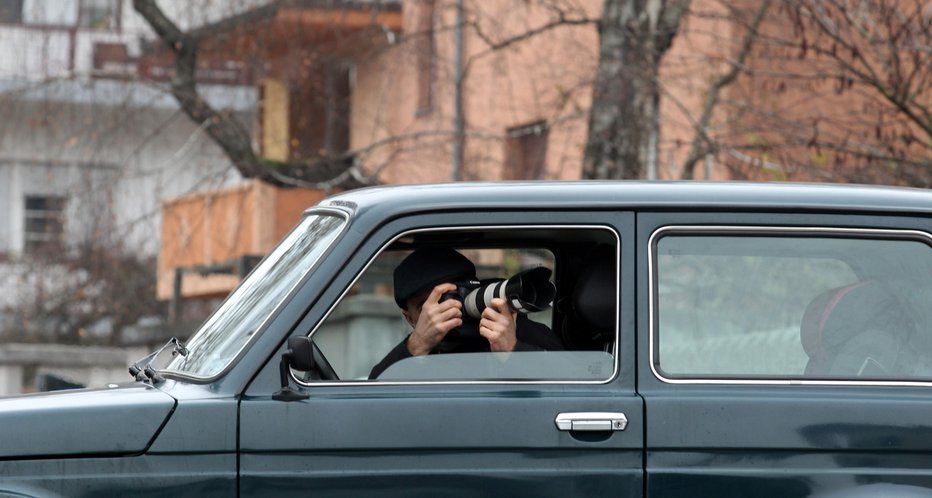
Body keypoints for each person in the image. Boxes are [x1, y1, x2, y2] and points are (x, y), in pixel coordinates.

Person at [368, 248, 564, 379]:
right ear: (409, 318)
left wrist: (513, 349)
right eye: (427, 307)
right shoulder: (413, 355)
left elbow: (575, 385)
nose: (444, 309)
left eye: (452, 296)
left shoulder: (518, 331)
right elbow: (371, 399)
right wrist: (418, 344)